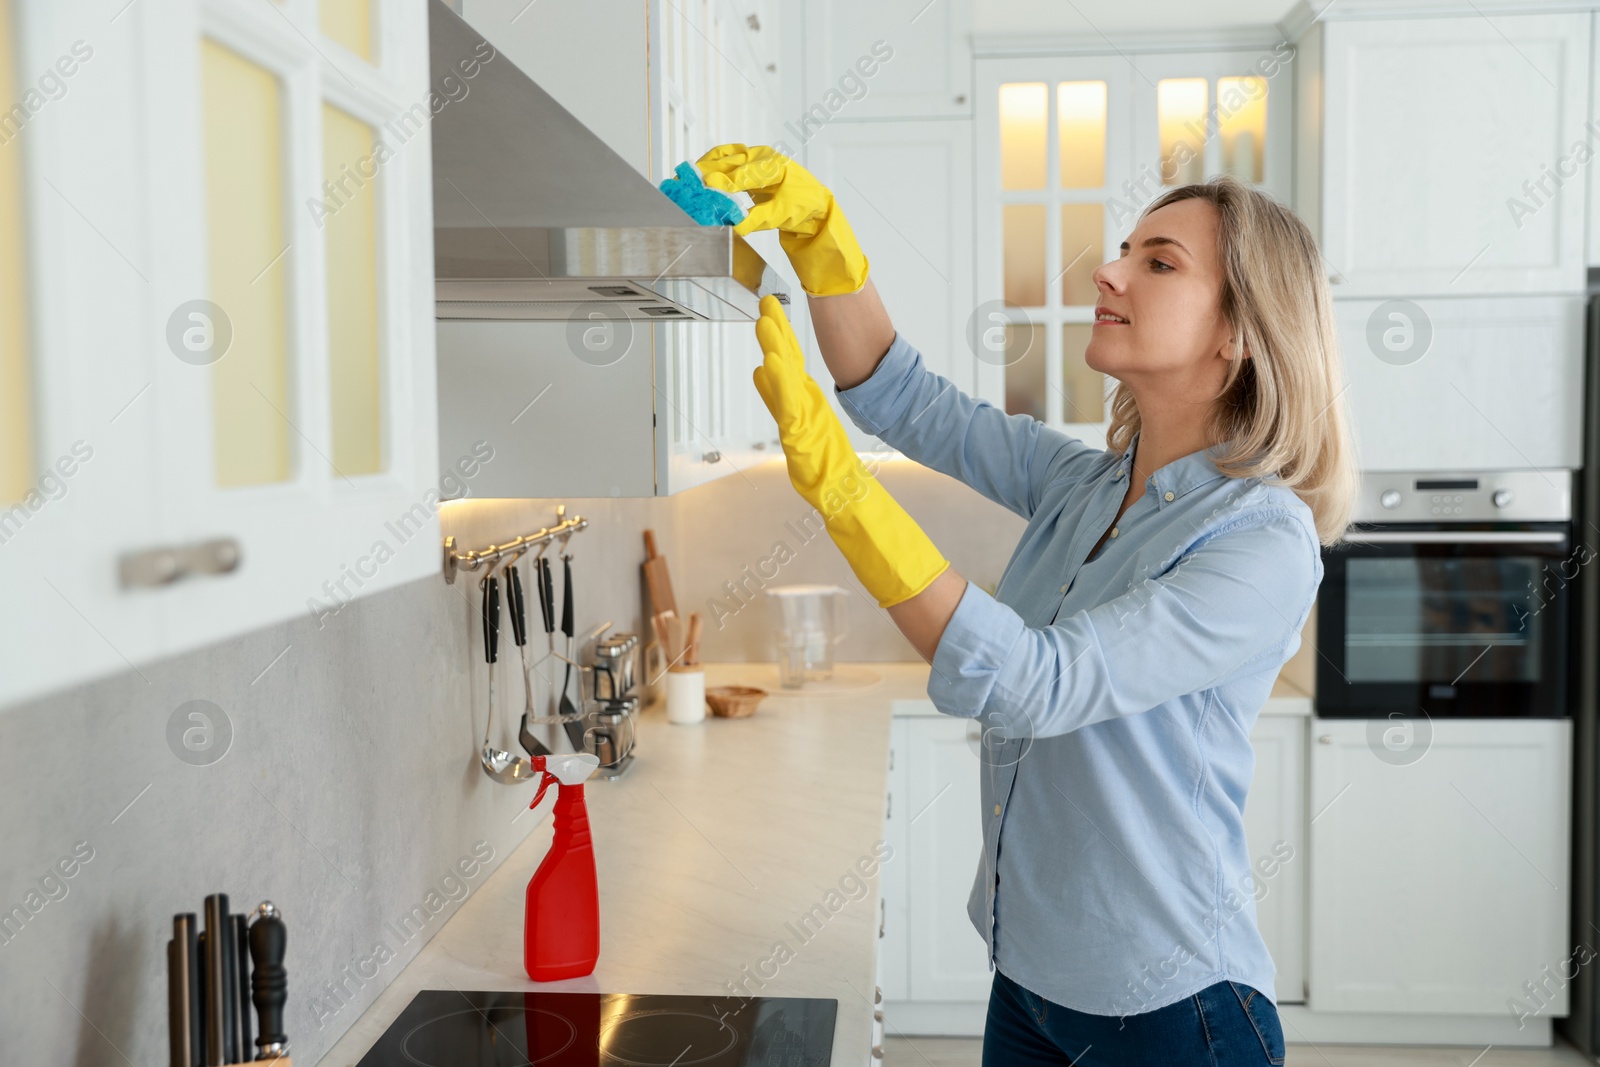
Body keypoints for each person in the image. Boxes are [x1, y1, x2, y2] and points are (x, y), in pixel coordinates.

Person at [697, 144, 1358, 1066]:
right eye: (1126, 247)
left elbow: (1036, 684)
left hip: (1172, 1012)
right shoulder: (1087, 485)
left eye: (1158, 263)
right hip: (1029, 985)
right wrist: (821, 241)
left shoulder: (1261, 541)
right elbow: (902, 396)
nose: (1110, 269)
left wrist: (849, 500)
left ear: (1240, 332)